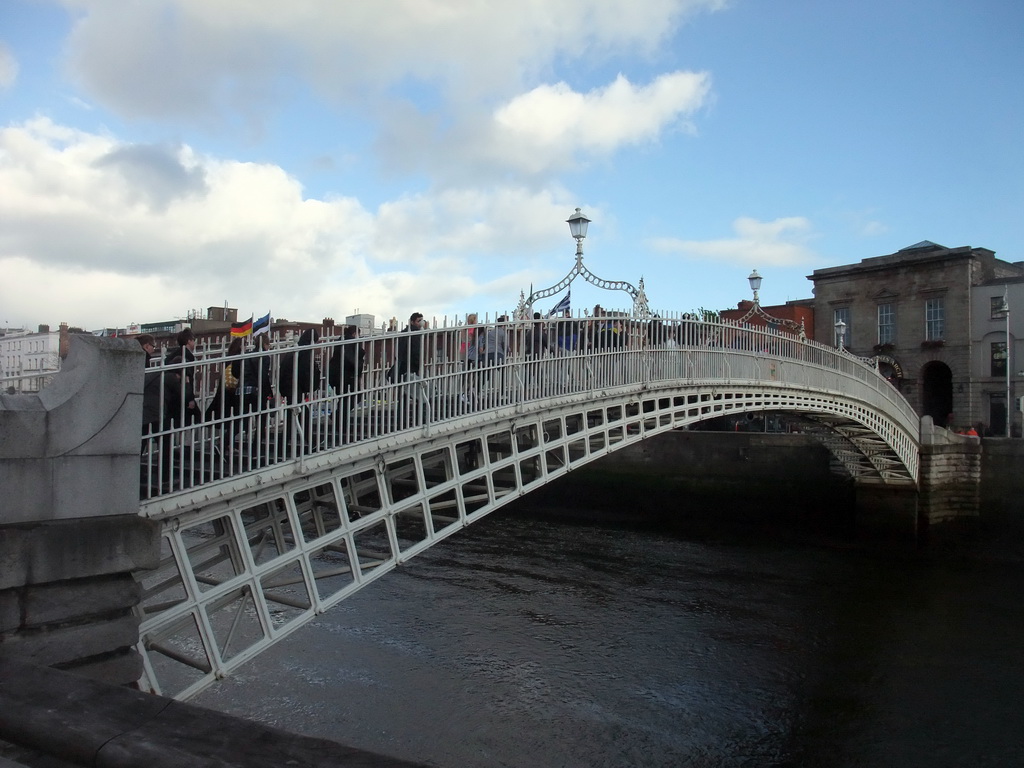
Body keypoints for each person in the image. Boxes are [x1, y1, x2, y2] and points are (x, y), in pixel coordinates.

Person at [328, 325, 365, 443]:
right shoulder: (350, 342)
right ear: (354, 334)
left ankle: (338, 419)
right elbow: (352, 361)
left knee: (344, 399)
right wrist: (361, 357)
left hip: (337, 376)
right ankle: (339, 422)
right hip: (347, 376)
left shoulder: (341, 341)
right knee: (353, 398)